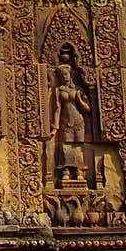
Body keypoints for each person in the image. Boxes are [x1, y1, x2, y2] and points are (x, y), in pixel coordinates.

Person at [50, 56, 90, 185]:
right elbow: (57, 108)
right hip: (65, 121)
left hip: (78, 121)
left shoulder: (78, 90)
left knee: (78, 146)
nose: (64, 77)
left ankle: (79, 172)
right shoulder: (58, 91)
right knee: (66, 146)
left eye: (66, 74)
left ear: (70, 75)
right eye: (62, 75)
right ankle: (66, 171)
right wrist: (55, 127)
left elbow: (87, 108)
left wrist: (79, 99)